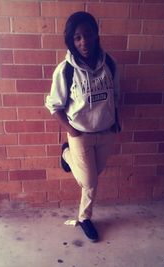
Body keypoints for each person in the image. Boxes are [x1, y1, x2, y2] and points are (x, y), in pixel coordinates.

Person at [45, 11, 121, 242]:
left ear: (96, 36)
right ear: (72, 41)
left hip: (106, 131)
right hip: (79, 133)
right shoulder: (65, 70)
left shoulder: (109, 63)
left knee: (94, 176)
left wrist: (116, 120)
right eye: (77, 37)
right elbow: (54, 105)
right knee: (90, 182)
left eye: (88, 35)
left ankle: (67, 157)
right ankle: (85, 218)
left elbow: (115, 95)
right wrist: (71, 131)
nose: (83, 42)